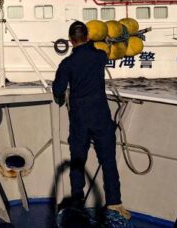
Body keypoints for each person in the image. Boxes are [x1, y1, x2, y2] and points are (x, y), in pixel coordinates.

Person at [53, 21, 129, 219]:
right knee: (108, 160)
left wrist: (61, 95)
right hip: (101, 116)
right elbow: (103, 51)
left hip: (79, 119)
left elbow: (58, 90)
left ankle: (77, 202)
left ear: (70, 40)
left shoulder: (67, 64)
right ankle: (114, 203)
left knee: (78, 161)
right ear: (87, 37)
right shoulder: (99, 57)